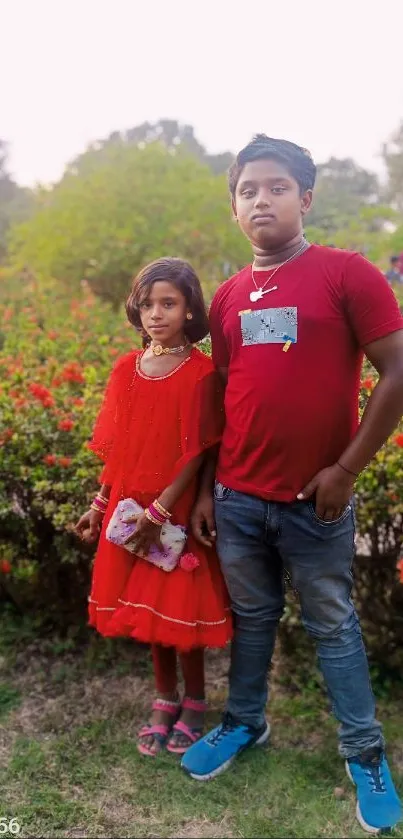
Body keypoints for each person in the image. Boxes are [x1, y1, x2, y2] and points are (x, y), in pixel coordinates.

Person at [181, 136, 403, 834]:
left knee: (332, 626)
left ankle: (364, 753)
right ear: (234, 207)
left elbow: (396, 371)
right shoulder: (226, 298)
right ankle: (246, 721)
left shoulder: (346, 274)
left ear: (304, 198)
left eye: (276, 187)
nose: (261, 200)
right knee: (252, 619)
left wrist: (344, 469)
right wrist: (202, 491)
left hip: (316, 501)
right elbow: (224, 397)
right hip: (238, 499)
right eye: (247, 190)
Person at [75, 257, 232, 758]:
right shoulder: (128, 368)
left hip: (173, 512)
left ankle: (196, 702)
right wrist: (100, 503)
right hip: (128, 507)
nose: (156, 313)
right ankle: (164, 699)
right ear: (136, 310)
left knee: (177, 608)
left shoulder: (201, 372)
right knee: (147, 612)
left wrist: (161, 512)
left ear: (190, 309)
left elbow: (198, 450)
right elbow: (119, 446)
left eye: (169, 303)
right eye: (148, 304)